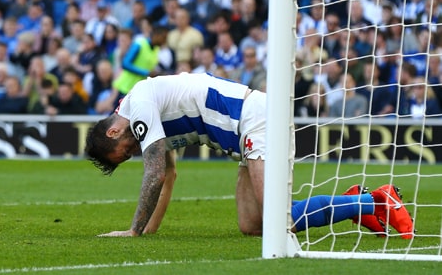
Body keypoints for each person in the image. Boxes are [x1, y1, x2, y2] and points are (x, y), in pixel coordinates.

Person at [85, 72, 414, 238]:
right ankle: (354, 202)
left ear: (113, 132)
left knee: (281, 219)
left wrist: (132, 231)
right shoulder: (142, 111)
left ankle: (377, 200)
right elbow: (168, 175)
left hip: (254, 120)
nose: (132, 153)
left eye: (124, 151)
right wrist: (144, 234)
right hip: (242, 137)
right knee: (252, 226)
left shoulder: (140, 105)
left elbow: (155, 174)